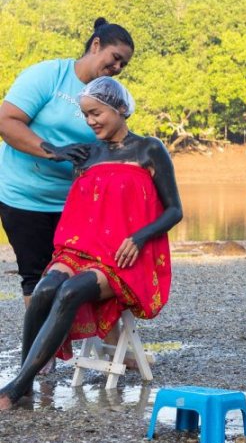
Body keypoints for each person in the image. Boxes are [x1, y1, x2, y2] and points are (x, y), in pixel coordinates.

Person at [0, 77, 183, 410]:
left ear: (121, 109)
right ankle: (24, 384)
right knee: (43, 290)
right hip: (81, 249)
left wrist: (139, 237)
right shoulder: (87, 154)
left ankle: (16, 388)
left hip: (124, 257)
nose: (91, 121)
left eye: (97, 113)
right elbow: (84, 211)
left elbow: (175, 210)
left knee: (69, 292)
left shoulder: (149, 149)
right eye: (86, 115)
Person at [0, 18, 134, 308]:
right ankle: (40, 352)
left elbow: (115, 144)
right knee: (36, 278)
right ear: (96, 45)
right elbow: (7, 122)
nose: (118, 68)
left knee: (80, 273)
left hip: (74, 203)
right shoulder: (50, 75)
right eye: (115, 58)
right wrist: (53, 151)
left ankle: (82, 346)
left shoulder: (108, 94)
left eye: (124, 64)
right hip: (24, 196)